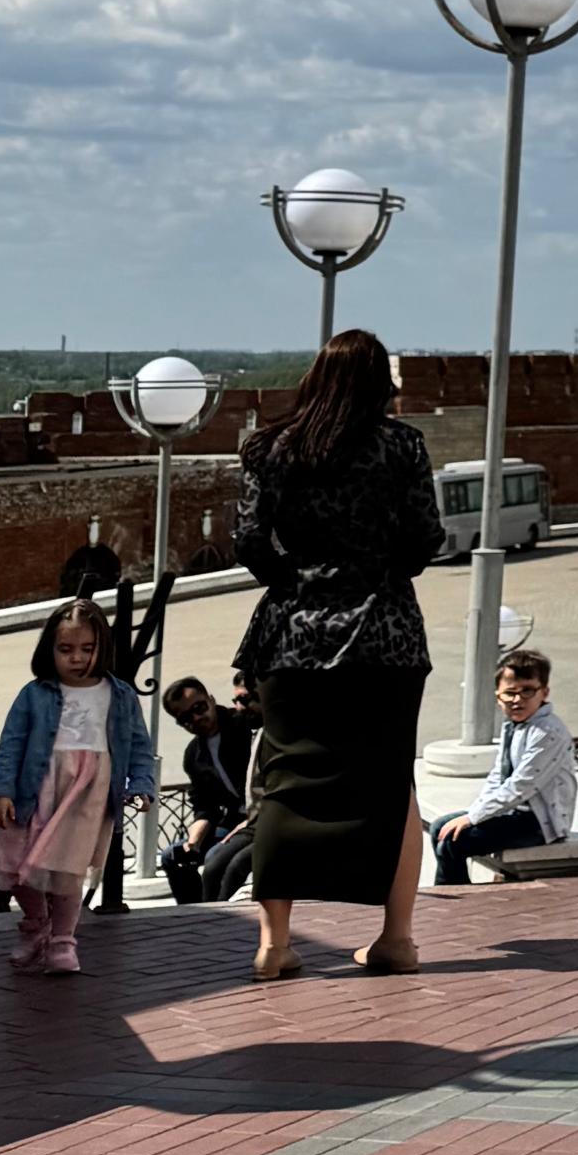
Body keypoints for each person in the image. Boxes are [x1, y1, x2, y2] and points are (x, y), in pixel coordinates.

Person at [230, 328, 446, 984]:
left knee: (284, 779)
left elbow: (249, 540)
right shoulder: (402, 446)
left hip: (292, 636)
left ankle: (274, 944)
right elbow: (424, 539)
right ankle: (396, 939)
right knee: (391, 783)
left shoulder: (270, 448)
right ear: (381, 385)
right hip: (385, 635)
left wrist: (298, 579)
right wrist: (374, 567)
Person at [0, 599, 157, 974]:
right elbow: (10, 744)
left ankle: (63, 942)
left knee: (67, 872)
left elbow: (138, 746)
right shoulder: (34, 694)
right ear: (49, 650)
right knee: (14, 866)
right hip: (33, 791)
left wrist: (142, 784)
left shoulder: (120, 696)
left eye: (87, 648)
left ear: (102, 648)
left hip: (86, 796)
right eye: (65, 649)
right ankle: (36, 924)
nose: (77, 658)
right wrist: (1, 790)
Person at [433, 649, 578, 878]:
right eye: (510, 693)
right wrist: (477, 812)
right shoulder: (513, 726)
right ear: (498, 695)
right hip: (512, 814)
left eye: (527, 691)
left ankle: (455, 898)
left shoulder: (548, 732)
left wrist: (473, 818)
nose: (518, 700)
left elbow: (521, 785)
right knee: (439, 828)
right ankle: (455, 893)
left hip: (539, 823)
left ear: (544, 692)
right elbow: (498, 777)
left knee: (454, 841)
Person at [158, 673, 260, 904]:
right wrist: (192, 842)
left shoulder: (244, 725)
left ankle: (213, 912)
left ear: (211, 700)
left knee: (215, 858)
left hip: (258, 817)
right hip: (231, 821)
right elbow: (205, 807)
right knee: (172, 857)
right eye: (185, 717)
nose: (196, 718)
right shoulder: (194, 754)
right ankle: (192, 912)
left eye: (199, 708)